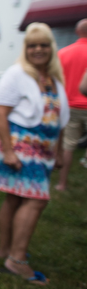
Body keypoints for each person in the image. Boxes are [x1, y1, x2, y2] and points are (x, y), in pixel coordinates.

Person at [0, 22, 69, 286]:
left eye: (43, 45)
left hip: (43, 149)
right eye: (32, 45)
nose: (38, 50)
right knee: (37, 199)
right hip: (20, 147)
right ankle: (17, 259)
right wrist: (9, 152)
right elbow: (0, 112)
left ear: (51, 48)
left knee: (14, 199)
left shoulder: (52, 77)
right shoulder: (16, 74)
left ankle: (5, 250)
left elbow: (57, 117)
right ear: (25, 48)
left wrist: (57, 151)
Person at [56, 19, 87, 189]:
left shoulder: (63, 53)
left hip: (70, 106)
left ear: (77, 32)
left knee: (68, 145)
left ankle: (62, 184)